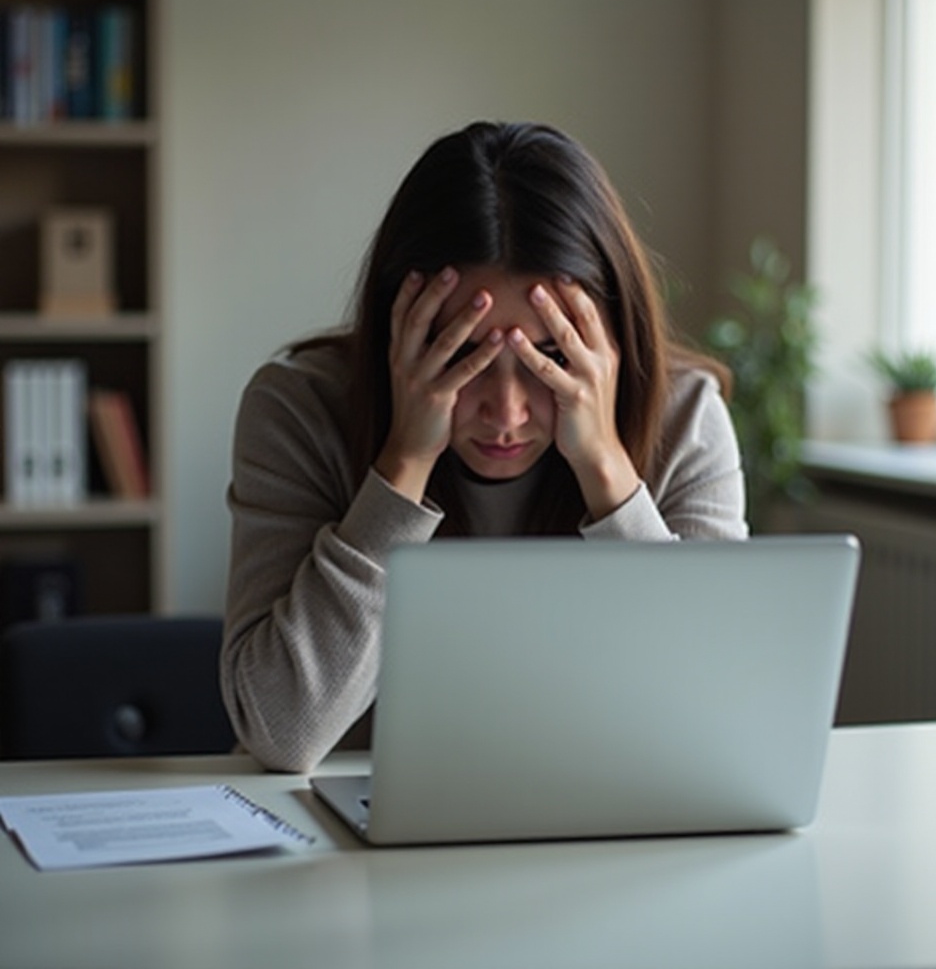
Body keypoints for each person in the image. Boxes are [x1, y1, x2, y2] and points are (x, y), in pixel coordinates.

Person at [222, 121, 748, 773]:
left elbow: (718, 717)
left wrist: (608, 472)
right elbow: (282, 731)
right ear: (400, 328)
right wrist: (401, 468)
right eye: (462, 353)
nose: (507, 413)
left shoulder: (686, 415)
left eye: (549, 358)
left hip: (599, 832)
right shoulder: (299, 409)